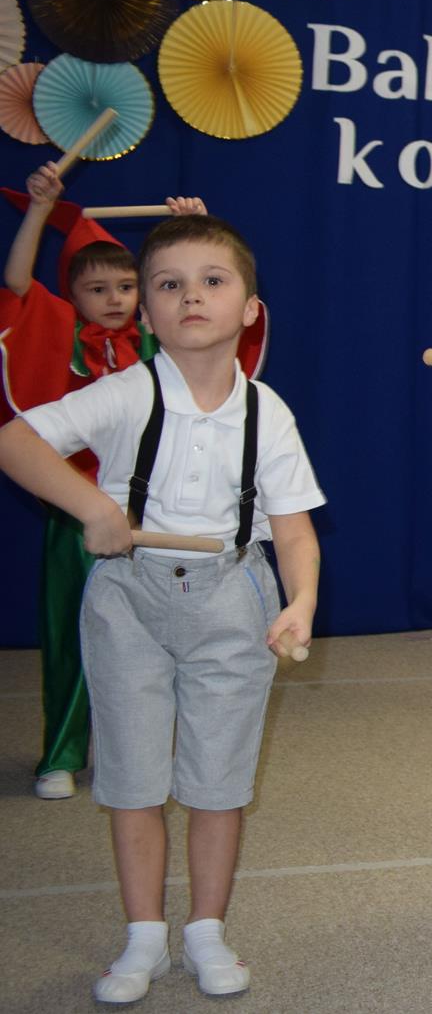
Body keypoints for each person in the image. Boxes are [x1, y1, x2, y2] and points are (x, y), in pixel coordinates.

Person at [0, 214, 322, 1003]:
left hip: (233, 598)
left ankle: (207, 927)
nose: (191, 297)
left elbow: (293, 529)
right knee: (133, 774)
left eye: (213, 281)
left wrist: (302, 599)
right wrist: (92, 506)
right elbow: (15, 441)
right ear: (145, 311)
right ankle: (143, 931)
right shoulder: (125, 393)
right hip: (129, 599)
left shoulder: (268, 411)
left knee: (219, 778)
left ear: (250, 308)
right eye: (169, 285)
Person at [2, 167, 227, 801]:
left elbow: (202, 295)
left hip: (155, 514)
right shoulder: (59, 333)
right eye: (96, 288)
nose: (114, 299)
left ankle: (141, 756)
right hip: (79, 512)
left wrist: (194, 230)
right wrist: (39, 211)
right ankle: (61, 753)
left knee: (157, 640)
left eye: (127, 286)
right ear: (71, 292)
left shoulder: (159, 339)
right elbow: (17, 284)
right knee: (73, 635)